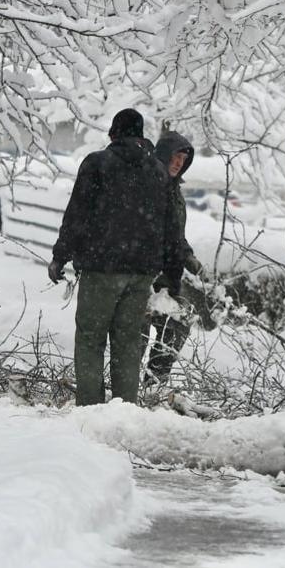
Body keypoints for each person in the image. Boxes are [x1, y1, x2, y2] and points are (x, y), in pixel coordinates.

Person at [48, 108, 183, 406]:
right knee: (128, 342)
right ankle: (124, 410)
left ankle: (90, 409)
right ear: (141, 136)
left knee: (91, 339)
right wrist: (173, 274)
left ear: (113, 134)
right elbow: (170, 226)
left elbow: (77, 215)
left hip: (102, 268)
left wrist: (61, 255)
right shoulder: (158, 172)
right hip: (142, 272)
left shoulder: (98, 163)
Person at [142, 129, 206, 386]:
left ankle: (154, 381)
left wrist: (189, 258)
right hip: (145, 273)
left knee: (179, 323)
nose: (179, 162)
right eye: (175, 156)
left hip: (168, 277)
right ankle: (124, 394)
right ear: (163, 155)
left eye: (183, 158)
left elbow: (175, 234)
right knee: (139, 332)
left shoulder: (174, 191)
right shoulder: (149, 185)